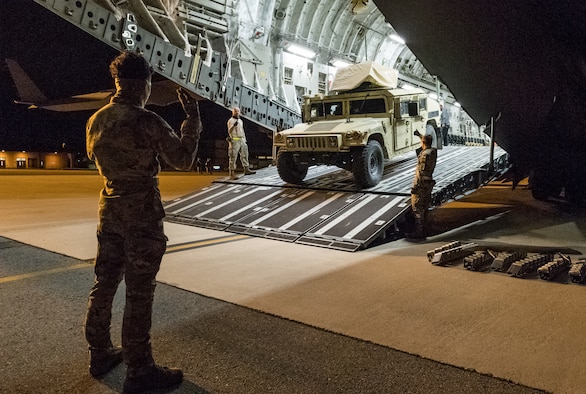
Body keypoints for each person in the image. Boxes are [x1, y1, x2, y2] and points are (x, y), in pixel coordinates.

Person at [84, 51, 201, 393]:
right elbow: (183, 159)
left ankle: (100, 353)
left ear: (117, 83)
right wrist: (192, 119)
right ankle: (140, 369)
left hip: (109, 210)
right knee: (138, 293)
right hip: (142, 217)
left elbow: (98, 159)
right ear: (145, 85)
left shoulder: (95, 121)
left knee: (103, 285)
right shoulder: (146, 121)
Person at [407, 133, 437, 239]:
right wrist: (420, 135)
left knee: (417, 208)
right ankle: (426, 230)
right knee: (425, 207)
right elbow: (426, 142)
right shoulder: (433, 151)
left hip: (421, 185)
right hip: (429, 184)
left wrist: (415, 186)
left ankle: (419, 232)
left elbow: (421, 171)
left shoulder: (424, 155)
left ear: (423, 143)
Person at [227, 107, 255, 179]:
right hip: (235, 140)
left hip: (242, 139)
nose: (237, 113)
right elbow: (229, 131)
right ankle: (231, 173)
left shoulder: (240, 121)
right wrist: (233, 126)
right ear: (233, 112)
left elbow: (242, 130)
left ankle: (246, 169)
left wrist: (244, 139)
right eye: (235, 111)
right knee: (233, 156)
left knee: (245, 155)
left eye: (238, 111)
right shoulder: (230, 121)